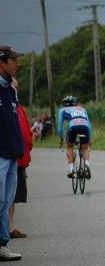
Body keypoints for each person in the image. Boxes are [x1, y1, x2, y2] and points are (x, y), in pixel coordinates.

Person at [0, 45, 24, 261]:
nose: (17, 64)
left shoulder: (9, 88)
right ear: (1, 62)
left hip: (12, 153)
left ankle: (2, 243)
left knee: (6, 201)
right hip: (1, 152)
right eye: (13, 60)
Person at [10, 78, 31, 239]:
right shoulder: (15, 109)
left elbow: (27, 136)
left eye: (16, 88)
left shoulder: (19, 110)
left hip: (17, 157)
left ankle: (9, 228)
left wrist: (25, 152)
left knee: (11, 194)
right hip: (8, 155)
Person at [58, 95, 93, 179]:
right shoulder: (82, 109)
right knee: (85, 148)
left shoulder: (62, 110)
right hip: (84, 127)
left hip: (73, 127)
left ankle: (71, 170)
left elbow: (60, 127)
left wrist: (61, 138)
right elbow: (89, 125)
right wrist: (90, 138)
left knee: (70, 146)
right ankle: (86, 166)